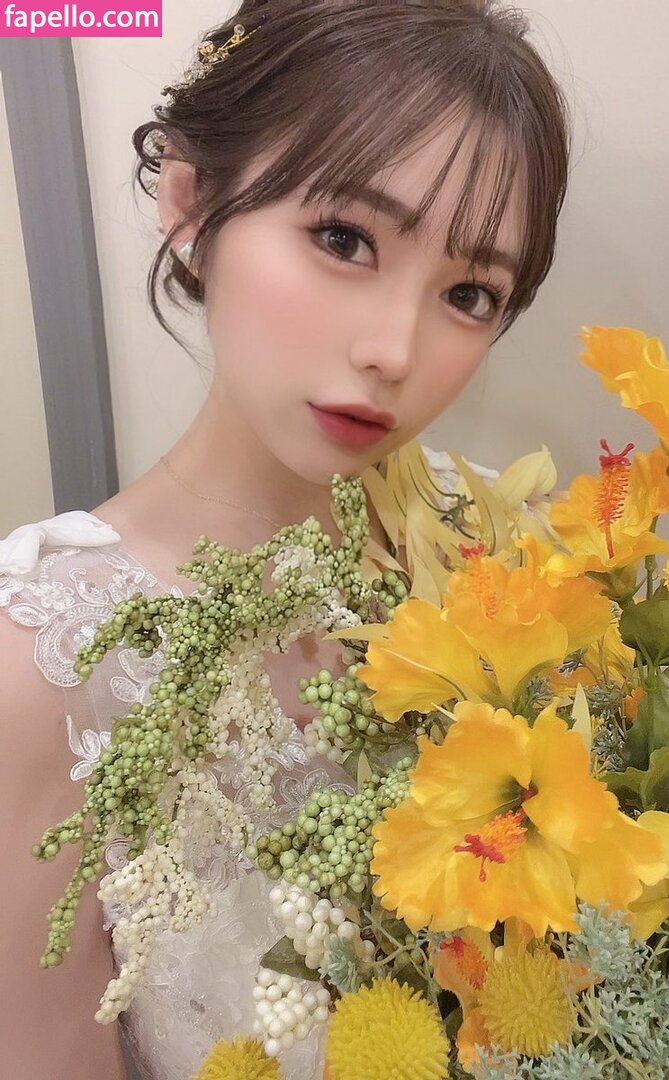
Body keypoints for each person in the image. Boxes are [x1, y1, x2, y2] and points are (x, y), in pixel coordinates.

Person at [0, 1, 569, 1076]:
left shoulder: (495, 551)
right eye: (344, 239)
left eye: (469, 293)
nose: (394, 350)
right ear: (189, 202)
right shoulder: (44, 665)